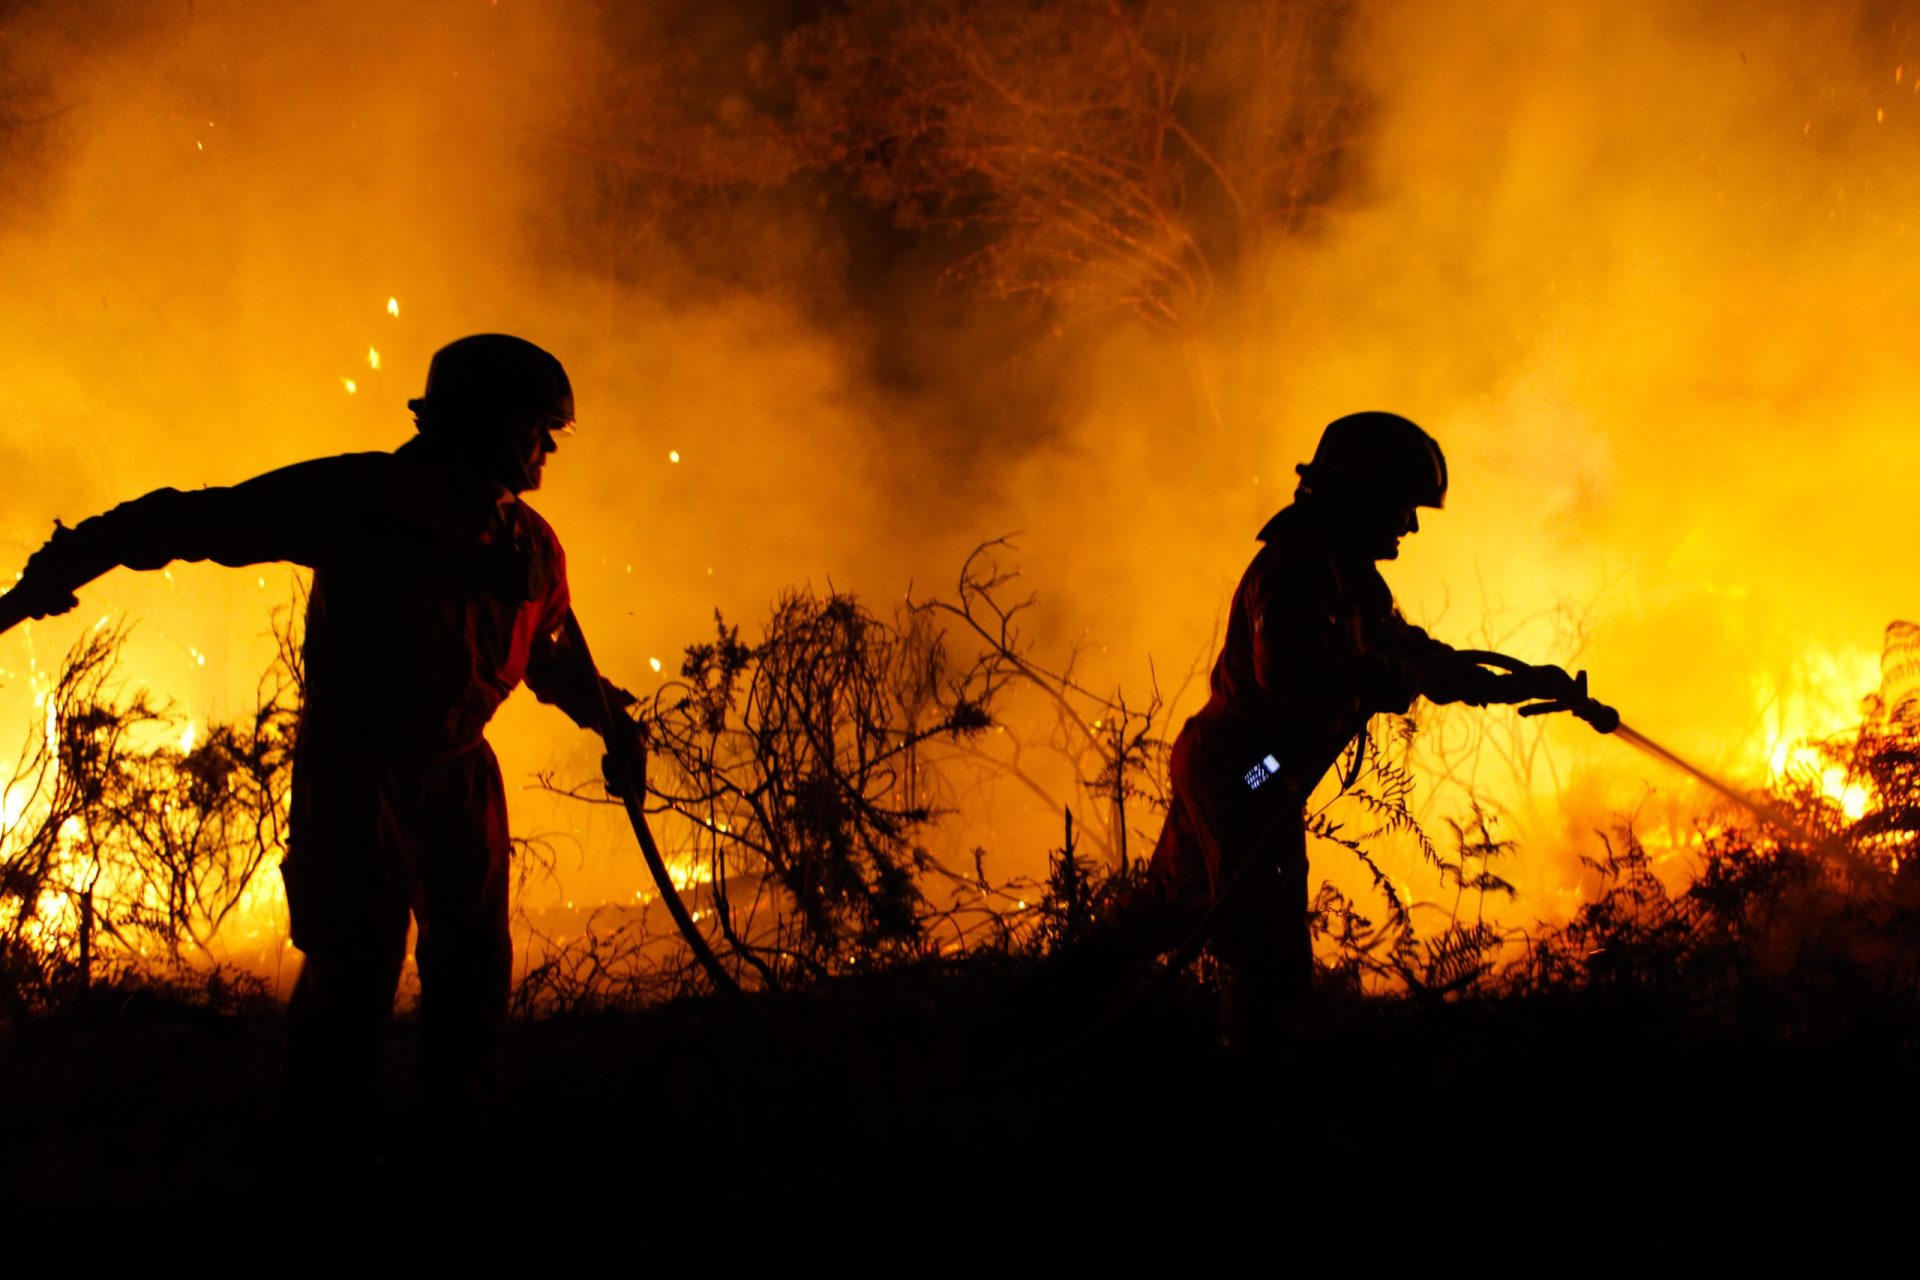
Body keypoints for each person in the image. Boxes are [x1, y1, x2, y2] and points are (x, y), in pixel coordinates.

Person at [0, 333, 641, 1142]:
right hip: (360, 773)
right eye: (536, 427)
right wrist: (73, 557)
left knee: (474, 977)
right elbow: (202, 519)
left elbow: (549, 652)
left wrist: (613, 723)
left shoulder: (531, 546)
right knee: (353, 975)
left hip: (462, 777)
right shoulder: (368, 499)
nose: (549, 447)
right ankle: (317, 1165)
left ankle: (456, 1151)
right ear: (477, 421)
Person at [1143, 411, 1582, 1041]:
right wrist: (1376, 675)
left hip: (1244, 766)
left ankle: (1036, 1011)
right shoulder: (1297, 568)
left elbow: (1420, 660)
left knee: (1162, 915)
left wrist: (1521, 684)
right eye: (1403, 506)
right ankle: (1250, 1098)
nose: (1409, 525)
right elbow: (1288, 670)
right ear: (1363, 494)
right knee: (1267, 951)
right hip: (1245, 768)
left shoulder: (1350, 579)